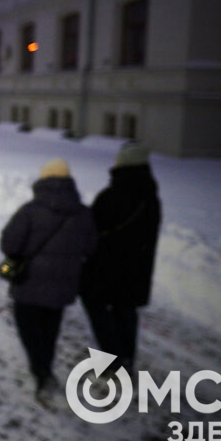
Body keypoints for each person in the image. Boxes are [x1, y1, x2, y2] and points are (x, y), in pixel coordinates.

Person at [0, 158, 97, 402]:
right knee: (50, 329)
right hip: (63, 286)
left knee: (28, 328)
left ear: (42, 180)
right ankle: (46, 368)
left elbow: (9, 244)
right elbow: (91, 247)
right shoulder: (84, 214)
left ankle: (41, 372)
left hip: (29, 284)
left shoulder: (30, 211)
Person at [80, 143, 162, 374]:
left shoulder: (111, 196)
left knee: (96, 307)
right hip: (137, 268)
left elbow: (92, 230)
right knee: (125, 311)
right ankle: (127, 359)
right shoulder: (151, 196)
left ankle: (111, 362)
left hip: (106, 267)